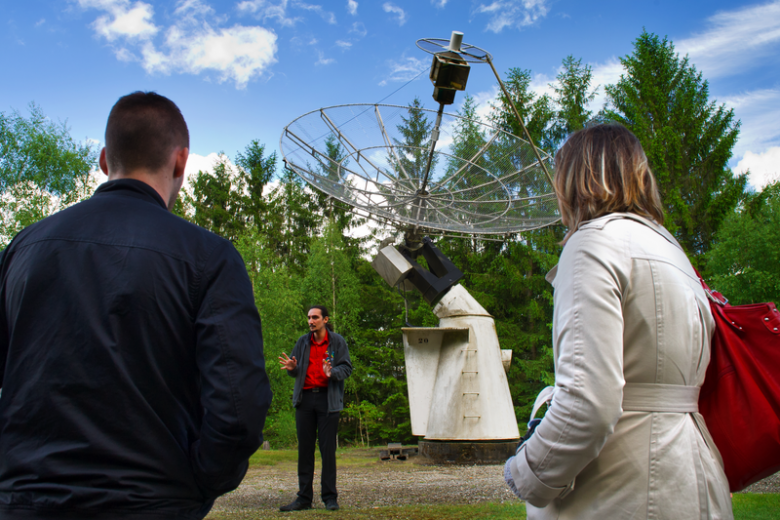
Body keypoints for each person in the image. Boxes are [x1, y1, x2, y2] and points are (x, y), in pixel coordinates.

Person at [0, 91, 273, 520]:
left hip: (25, 502)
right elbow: (239, 407)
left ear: (106, 160)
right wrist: (199, 481)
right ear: (182, 161)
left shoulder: (23, 248)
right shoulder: (208, 257)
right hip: (153, 502)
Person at [504, 124, 732, 519]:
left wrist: (526, 473)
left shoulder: (591, 244)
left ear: (572, 180)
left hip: (622, 485)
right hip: (692, 471)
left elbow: (588, 404)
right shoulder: (672, 251)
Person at [279, 306, 352, 512]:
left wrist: (332, 372)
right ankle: (304, 498)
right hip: (305, 400)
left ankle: (330, 497)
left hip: (328, 401)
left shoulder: (337, 342)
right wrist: (293, 370)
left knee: (327, 451)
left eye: (315, 317)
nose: (311, 321)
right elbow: (294, 369)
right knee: (305, 451)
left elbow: (347, 367)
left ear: (325, 319)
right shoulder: (303, 342)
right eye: (309, 318)